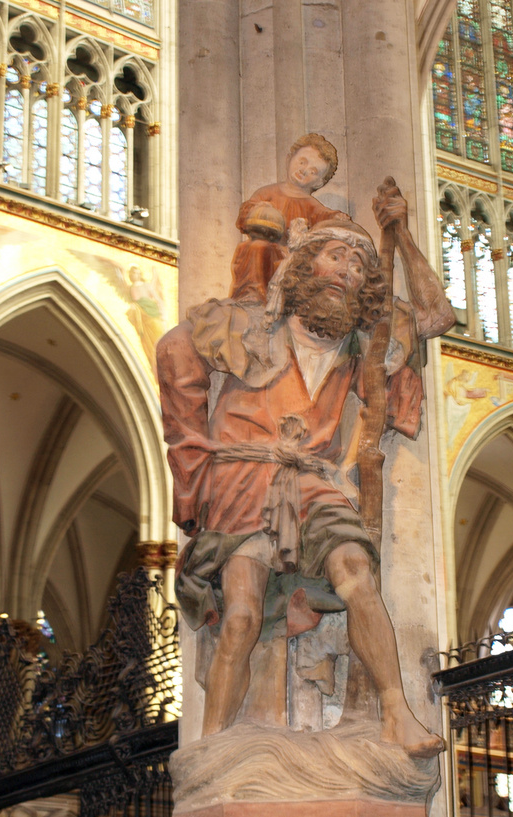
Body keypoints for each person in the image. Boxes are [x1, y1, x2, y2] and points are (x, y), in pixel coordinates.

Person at [156, 181, 454, 757]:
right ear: (303, 263)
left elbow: (436, 314)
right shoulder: (249, 323)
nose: (347, 270)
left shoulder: (363, 344)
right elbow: (175, 349)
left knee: (358, 574)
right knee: (240, 618)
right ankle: (212, 748)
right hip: (241, 482)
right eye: (336, 254)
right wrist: (191, 454)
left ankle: (397, 713)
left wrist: (402, 235)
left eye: (360, 263)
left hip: (314, 482)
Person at [230, 133, 347, 302]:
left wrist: (337, 217)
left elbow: (326, 219)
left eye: (313, 171)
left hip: (290, 261)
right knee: (255, 248)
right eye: (302, 162)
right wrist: (258, 209)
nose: (304, 170)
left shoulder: (311, 205)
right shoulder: (267, 193)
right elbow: (244, 216)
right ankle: (251, 293)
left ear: (318, 183)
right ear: (289, 158)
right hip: (264, 254)